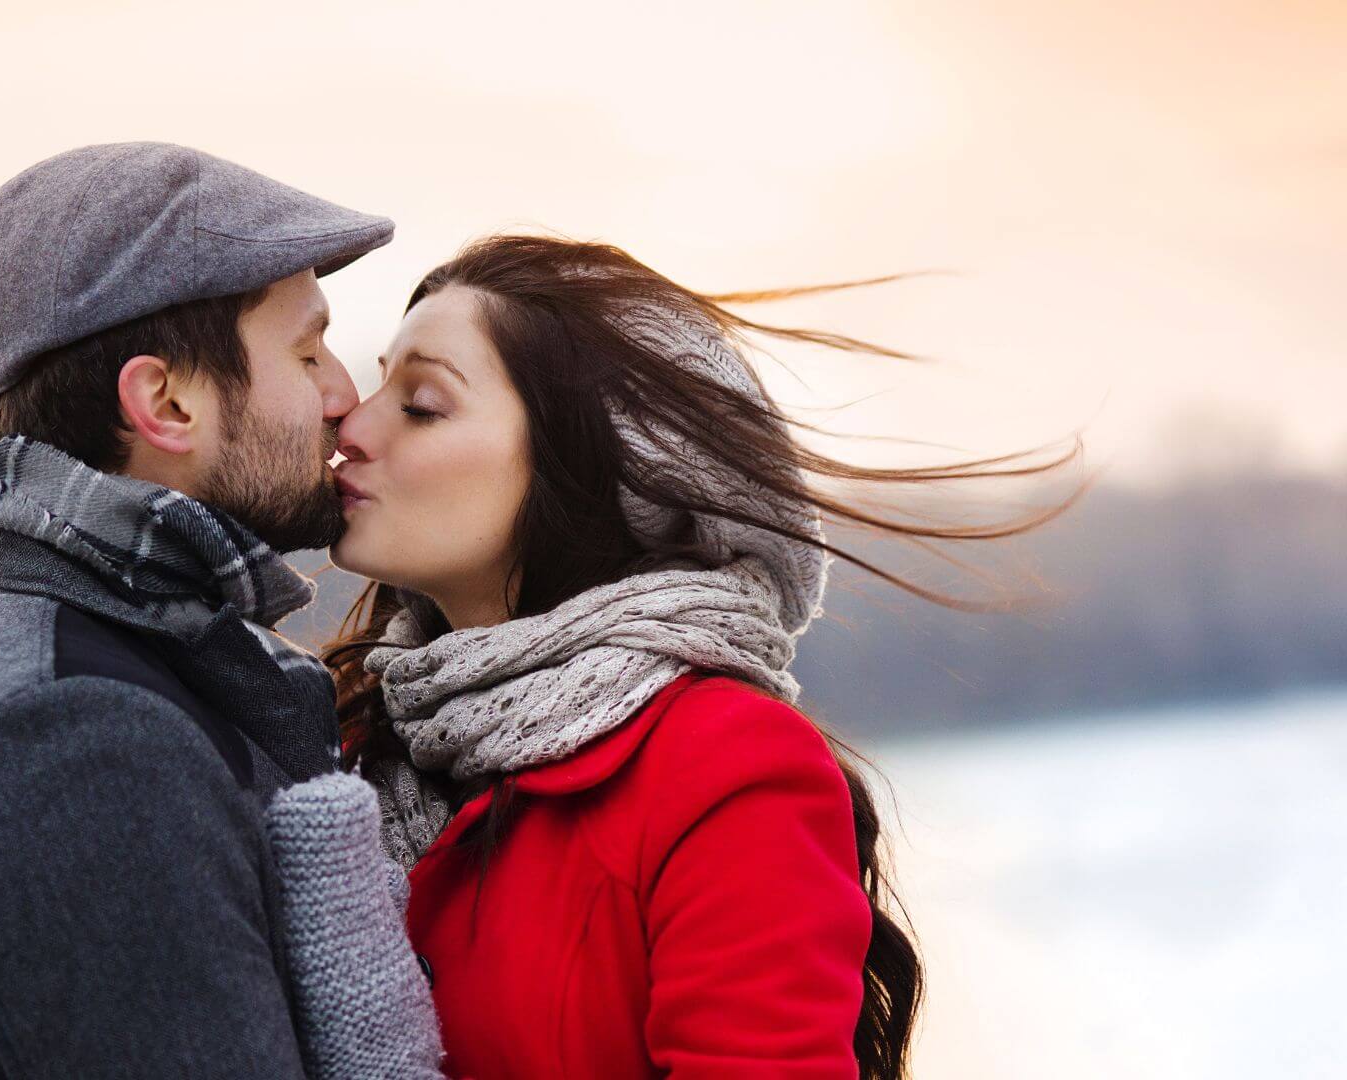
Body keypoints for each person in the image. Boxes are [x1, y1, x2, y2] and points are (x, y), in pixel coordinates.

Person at [323, 234, 1077, 1078]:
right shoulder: (345, 747)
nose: (351, 424)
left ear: (591, 468)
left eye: (421, 403)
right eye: (379, 381)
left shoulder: (725, 766)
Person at [0, 141, 440, 1078]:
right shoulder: (78, 739)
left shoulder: (114, 663)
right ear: (166, 402)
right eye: (307, 350)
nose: (343, 394)